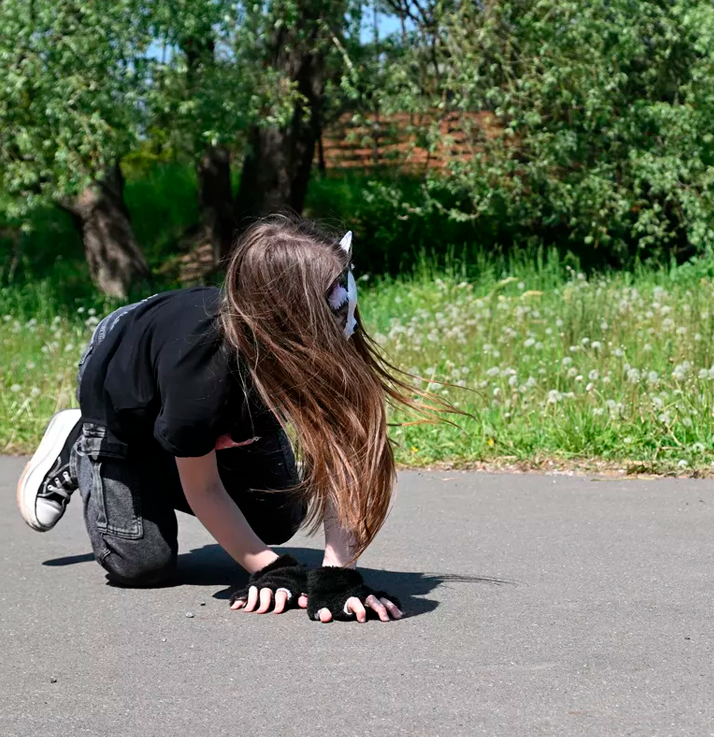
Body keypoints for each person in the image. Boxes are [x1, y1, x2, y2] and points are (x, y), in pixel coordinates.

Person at [17, 217, 429, 623]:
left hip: (219, 398)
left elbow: (346, 457)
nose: (350, 314)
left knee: (278, 518)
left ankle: (180, 443)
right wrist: (269, 569)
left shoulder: (324, 331)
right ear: (289, 318)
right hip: (124, 393)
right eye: (337, 306)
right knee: (141, 563)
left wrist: (339, 575)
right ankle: (79, 441)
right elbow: (205, 487)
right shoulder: (202, 380)